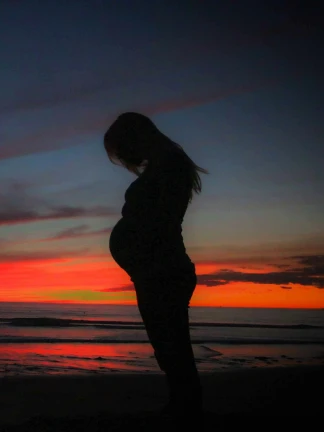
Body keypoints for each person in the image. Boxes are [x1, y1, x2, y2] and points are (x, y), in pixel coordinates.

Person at [104, 112, 208, 424]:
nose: (122, 157)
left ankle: (186, 411)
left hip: (162, 268)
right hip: (153, 269)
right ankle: (182, 406)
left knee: (172, 346)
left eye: (121, 149)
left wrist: (138, 246)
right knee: (168, 347)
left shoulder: (170, 165)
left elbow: (161, 220)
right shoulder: (162, 167)